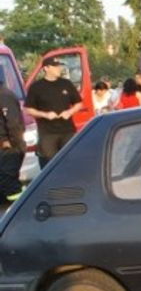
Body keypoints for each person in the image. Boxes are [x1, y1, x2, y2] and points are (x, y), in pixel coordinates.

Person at [25, 57, 82, 167]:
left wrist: (69, 112)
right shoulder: (36, 87)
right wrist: (45, 115)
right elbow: (28, 109)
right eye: (55, 66)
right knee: (50, 164)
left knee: (71, 161)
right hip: (47, 133)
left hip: (67, 131)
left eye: (59, 65)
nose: (59, 68)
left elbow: (79, 103)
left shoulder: (66, 84)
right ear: (46, 68)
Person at [0, 70, 25, 200]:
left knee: (9, 184)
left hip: (8, 147)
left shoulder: (5, 96)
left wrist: (14, 145)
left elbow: (13, 124)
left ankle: (19, 209)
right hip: (6, 145)